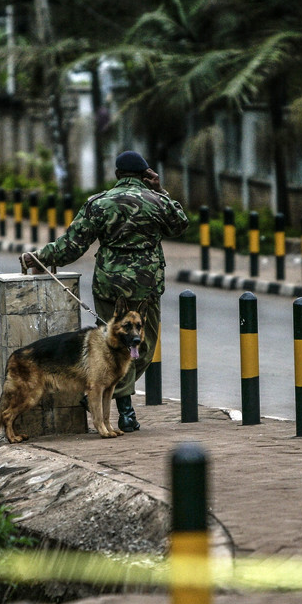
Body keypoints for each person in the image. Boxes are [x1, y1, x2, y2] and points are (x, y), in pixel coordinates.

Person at [21, 150, 188, 432]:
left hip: (110, 285)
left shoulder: (98, 203)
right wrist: (162, 191)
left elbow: (72, 245)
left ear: (117, 175)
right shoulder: (158, 201)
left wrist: (38, 257)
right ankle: (126, 413)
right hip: (147, 285)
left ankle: (108, 400)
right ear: (145, 175)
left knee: (115, 350)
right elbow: (180, 225)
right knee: (143, 348)